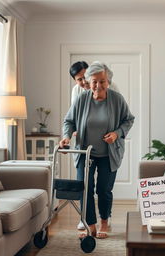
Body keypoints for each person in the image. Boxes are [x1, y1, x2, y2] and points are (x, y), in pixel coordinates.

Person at [59, 61, 134, 239]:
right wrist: (67, 136)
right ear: (88, 81)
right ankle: (89, 225)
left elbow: (128, 120)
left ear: (108, 81)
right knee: (84, 188)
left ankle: (104, 222)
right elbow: (69, 121)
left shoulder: (117, 99)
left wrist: (117, 133)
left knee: (103, 190)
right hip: (85, 152)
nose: (98, 85)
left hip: (109, 153)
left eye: (102, 81)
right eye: (94, 81)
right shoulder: (82, 99)